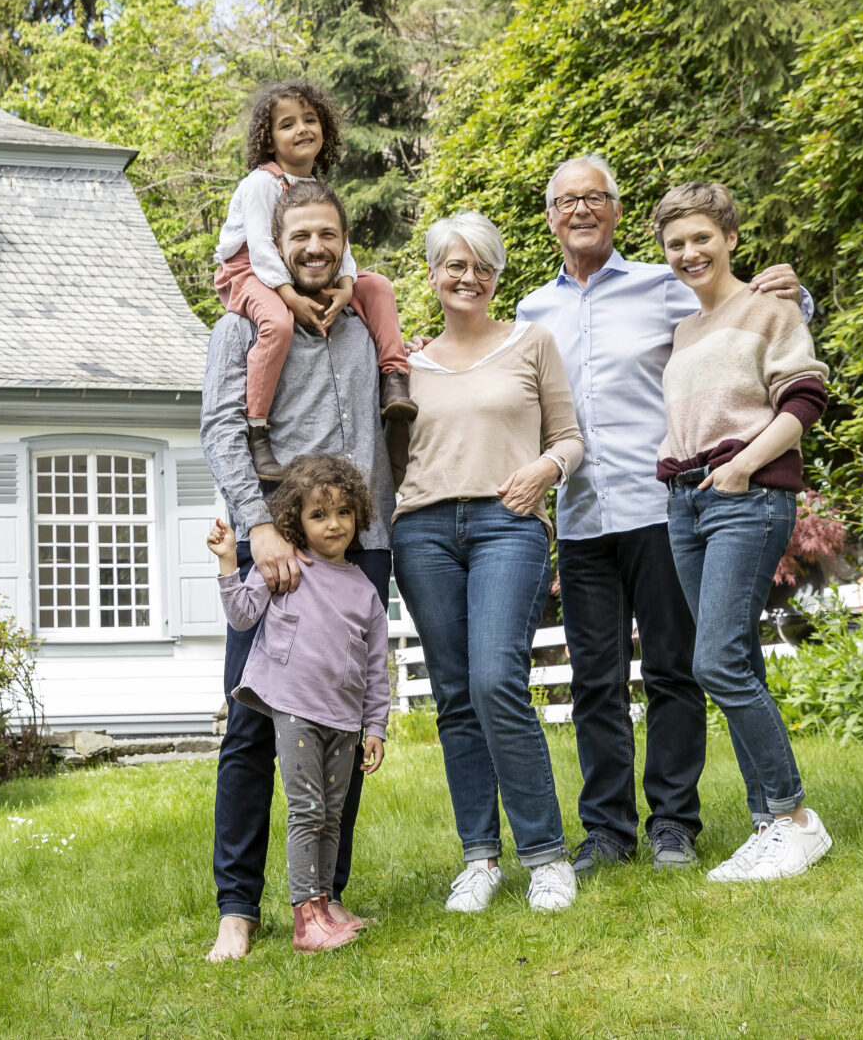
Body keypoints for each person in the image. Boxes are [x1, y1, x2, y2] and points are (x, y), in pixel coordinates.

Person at [515, 154, 809, 879]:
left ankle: (674, 823)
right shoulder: (530, 312)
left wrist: (799, 296)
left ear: (616, 211)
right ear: (550, 217)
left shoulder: (665, 284)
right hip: (582, 516)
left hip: (664, 509)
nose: (580, 210)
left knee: (678, 671)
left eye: (595, 197)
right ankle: (608, 830)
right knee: (595, 682)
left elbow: (749, 317)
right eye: (565, 200)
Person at [198, 178, 398, 962]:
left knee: (342, 722)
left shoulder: (364, 321)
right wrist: (258, 527)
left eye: (329, 234)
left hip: (361, 543)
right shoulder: (241, 326)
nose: (316, 247)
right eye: (300, 235)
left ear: (344, 240)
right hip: (275, 544)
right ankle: (239, 906)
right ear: (276, 244)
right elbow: (221, 430)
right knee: (251, 726)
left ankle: (325, 893)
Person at [392, 211, 586, 915]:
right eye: (454, 264)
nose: (467, 276)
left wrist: (544, 468)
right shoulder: (405, 363)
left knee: (494, 679)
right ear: (435, 274)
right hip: (423, 532)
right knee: (453, 696)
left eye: (481, 265)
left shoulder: (532, 342)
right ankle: (479, 859)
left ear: (497, 275)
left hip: (509, 522)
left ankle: (546, 856)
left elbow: (569, 437)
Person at [652, 181, 833, 882]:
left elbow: (805, 396)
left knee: (716, 660)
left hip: (745, 495)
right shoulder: (685, 329)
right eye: (676, 243)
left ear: (730, 236)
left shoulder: (770, 307)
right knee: (737, 662)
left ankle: (794, 817)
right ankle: (768, 823)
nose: (690, 252)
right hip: (687, 501)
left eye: (702, 237)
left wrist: (744, 467)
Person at [207, 454, 390, 953]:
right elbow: (243, 616)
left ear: (359, 517)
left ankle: (325, 904)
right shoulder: (288, 568)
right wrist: (228, 562)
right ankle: (306, 921)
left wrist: (375, 725)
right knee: (307, 810)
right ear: (296, 522)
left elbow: (376, 666)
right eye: (318, 514)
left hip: (344, 720)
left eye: (344, 512)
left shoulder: (365, 590)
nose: (334, 524)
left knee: (331, 815)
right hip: (294, 710)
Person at [213, 80, 415, 481]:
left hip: (293, 270)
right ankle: (258, 428)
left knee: (377, 287)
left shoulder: (316, 189)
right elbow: (261, 249)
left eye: (309, 119)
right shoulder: (260, 183)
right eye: (287, 124)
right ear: (268, 140)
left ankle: (394, 381)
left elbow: (340, 245)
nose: (301, 128)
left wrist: (346, 286)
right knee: (277, 324)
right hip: (249, 270)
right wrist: (290, 298)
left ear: (325, 127)